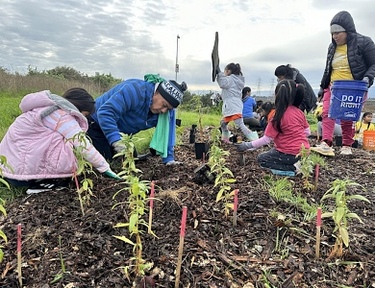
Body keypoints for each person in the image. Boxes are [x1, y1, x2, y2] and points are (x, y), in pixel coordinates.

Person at [0, 88, 119, 194]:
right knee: (64, 144)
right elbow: (82, 144)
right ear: (79, 108)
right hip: (23, 177)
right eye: (85, 115)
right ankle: (42, 185)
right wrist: (104, 167)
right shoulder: (62, 116)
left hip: (7, 169)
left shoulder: (43, 109)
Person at [311, 10, 375, 157]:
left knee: (348, 116)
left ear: (348, 30)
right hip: (334, 86)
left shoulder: (364, 42)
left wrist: (367, 78)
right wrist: (322, 86)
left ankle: (347, 145)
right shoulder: (332, 47)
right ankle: (326, 143)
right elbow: (328, 68)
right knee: (327, 112)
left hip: (354, 87)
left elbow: (373, 64)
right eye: (332, 33)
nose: (335, 36)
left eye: (338, 33)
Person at [87, 74, 187, 164]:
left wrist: (169, 159)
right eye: (164, 105)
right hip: (96, 124)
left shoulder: (166, 111)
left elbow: (168, 133)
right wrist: (116, 141)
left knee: (131, 159)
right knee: (105, 161)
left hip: (120, 133)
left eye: (168, 109)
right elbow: (105, 113)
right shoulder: (135, 91)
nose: (164, 111)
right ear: (156, 92)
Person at [236, 79, 310, 176]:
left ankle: (292, 170)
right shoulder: (299, 112)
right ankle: (300, 163)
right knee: (273, 152)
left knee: (262, 159)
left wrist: (247, 145)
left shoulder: (278, 115)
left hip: (289, 154)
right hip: (304, 152)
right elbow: (307, 132)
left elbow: (267, 139)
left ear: (278, 95)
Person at [216, 63, 257, 142]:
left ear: (228, 71)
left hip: (232, 105)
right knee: (223, 123)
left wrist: (219, 73)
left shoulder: (230, 79)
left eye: (225, 71)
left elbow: (222, 83)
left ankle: (255, 140)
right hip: (233, 105)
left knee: (240, 125)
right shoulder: (237, 80)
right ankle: (225, 140)